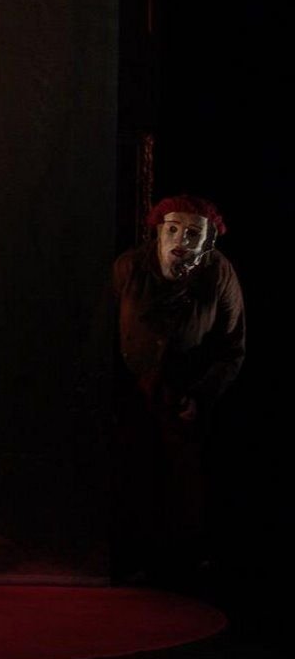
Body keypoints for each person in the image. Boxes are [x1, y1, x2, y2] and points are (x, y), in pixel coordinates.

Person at [110, 194, 246, 587]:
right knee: (132, 474)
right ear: (158, 232)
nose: (180, 241)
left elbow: (232, 347)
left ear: (208, 241)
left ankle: (180, 567)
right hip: (133, 392)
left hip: (183, 396)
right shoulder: (130, 267)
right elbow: (104, 331)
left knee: (182, 481)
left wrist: (200, 395)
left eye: (192, 234)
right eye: (172, 229)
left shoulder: (218, 274)